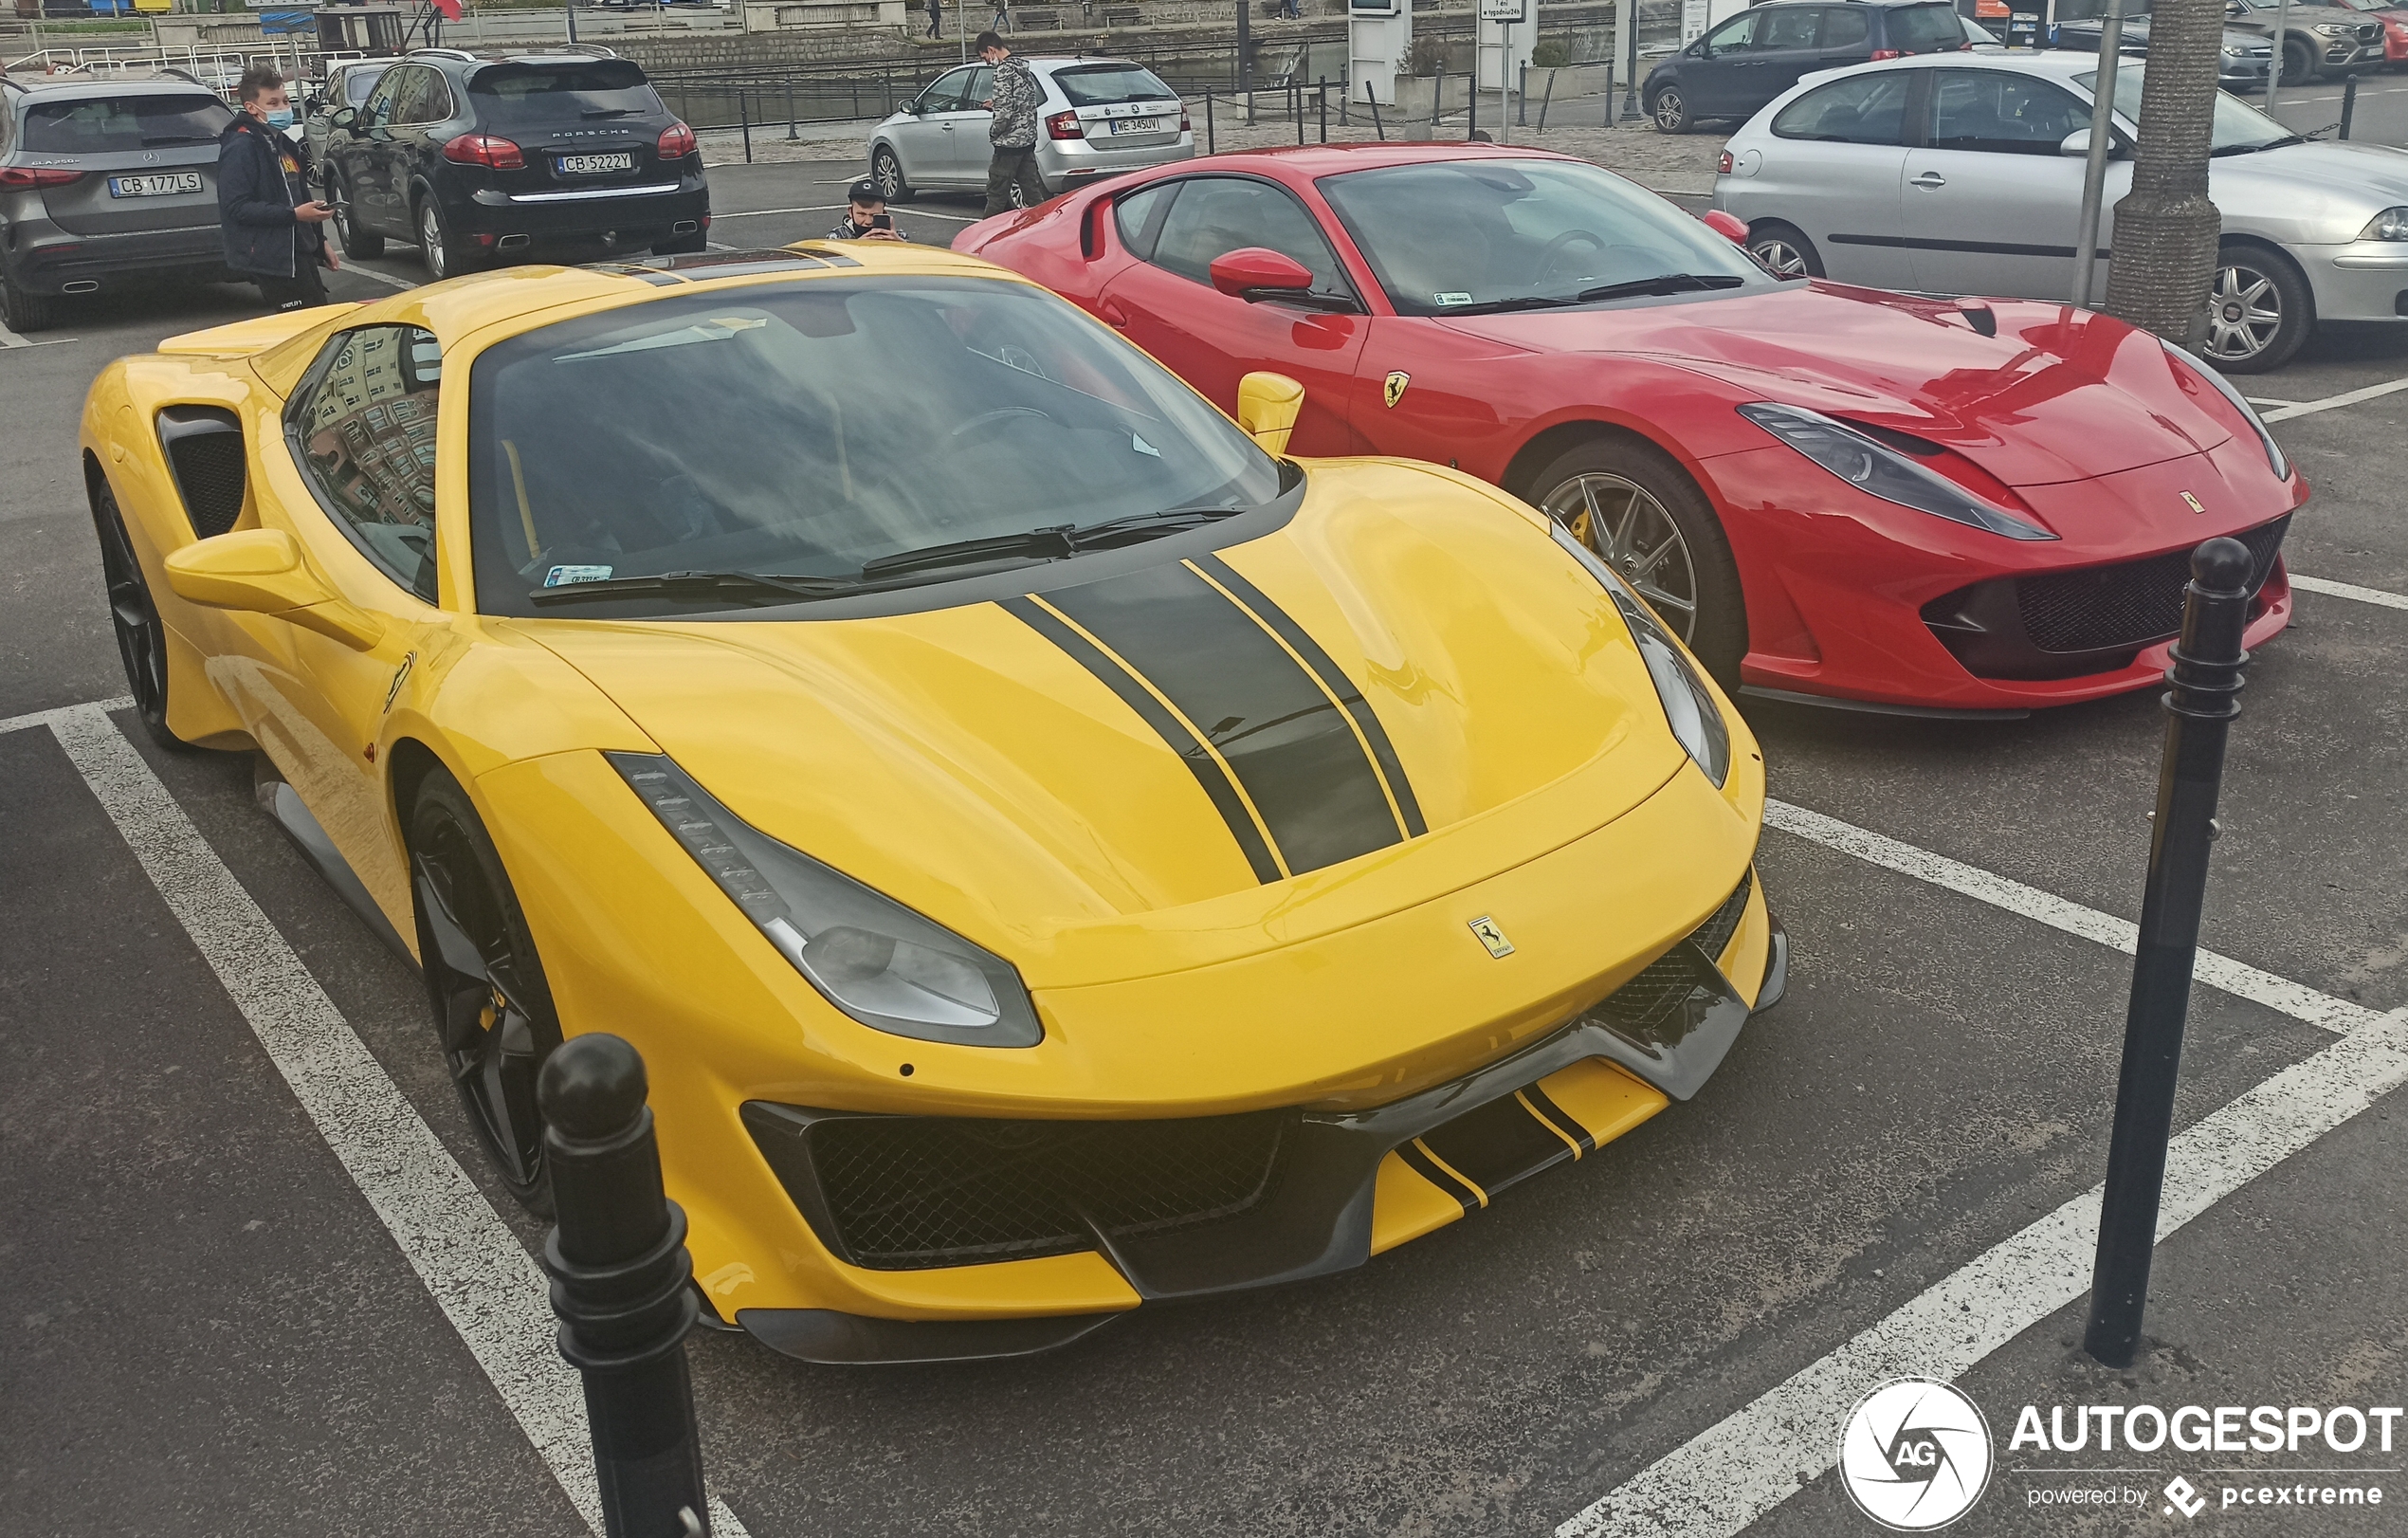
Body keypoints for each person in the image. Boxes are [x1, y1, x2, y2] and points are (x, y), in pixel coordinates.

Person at [217, 66, 338, 312]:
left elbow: (300, 195)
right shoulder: (242, 147)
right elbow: (237, 207)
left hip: (299, 250)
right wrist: (293, 215)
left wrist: (319, 240)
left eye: (285, 101)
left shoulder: (283, 143)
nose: (283, 108)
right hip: (273, 257)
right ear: (252, 108)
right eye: (272, 103)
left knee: (319, 318)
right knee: (301, 327)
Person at [976, 32, 1046, 216]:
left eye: (985, 57)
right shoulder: (1023, 68)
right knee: (1032, 192)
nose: (986, 62)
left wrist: (994, 134)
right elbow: (1026, 103)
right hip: (1027, 141)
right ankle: (1047, 226)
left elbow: (1005, 114)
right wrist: (996, 103)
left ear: (991, 50)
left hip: (1008, 144)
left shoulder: (1003, 71)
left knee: (996, 194)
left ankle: (985, 238)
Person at [827, 179, 907, 242]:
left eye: (873, 215)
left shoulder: (898, 236)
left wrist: (901, 245)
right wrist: (858, 245)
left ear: (884, 213)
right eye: (861, 214)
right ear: (850, 212)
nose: (868, 221)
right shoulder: (837, 236)